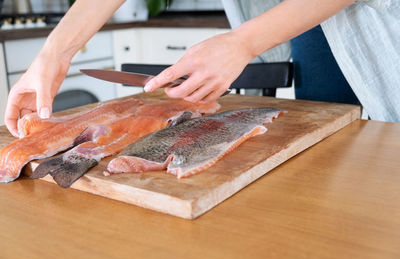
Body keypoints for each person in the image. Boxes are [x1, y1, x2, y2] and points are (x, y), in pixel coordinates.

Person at [5, 0, 400, 138]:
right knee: (331, 149)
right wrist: (53, 55)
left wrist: (242, 43)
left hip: (374, 20)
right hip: (302, 18)